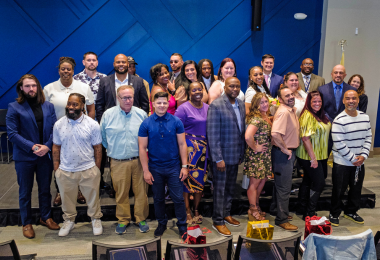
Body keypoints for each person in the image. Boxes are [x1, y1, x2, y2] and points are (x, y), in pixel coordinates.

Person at [6, 74, 59, 239]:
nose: (31, 89)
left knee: (45, 190)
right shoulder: (14, 107)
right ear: (21, 88)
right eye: (27, 86)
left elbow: (54, 130)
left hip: (45, 155)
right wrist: (33, 147)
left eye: (34, 85)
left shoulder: (48, 106)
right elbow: (12, 134)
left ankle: (46, 217)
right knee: (25, 191)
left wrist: (47, 146)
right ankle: (26, 222)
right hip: (25, 157)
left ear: (38, 87)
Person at [44, 56, 95, 206]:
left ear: (73, 71)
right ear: (59, 70)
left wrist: (88, 126)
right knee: (59, 162)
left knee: (79, 161)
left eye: (69, 69)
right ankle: (61, 192)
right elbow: (45, 112)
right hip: (58, 132)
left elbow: (91, 109)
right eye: (63, 69)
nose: (66, 71)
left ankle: (79, 191)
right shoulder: (49, 88)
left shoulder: (83, 87)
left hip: (80, 132)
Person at [138, 92, 189, 240]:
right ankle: (161, 223)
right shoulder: (146, 123)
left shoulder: (176, 121)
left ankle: (182, 226)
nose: (162, 105)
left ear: (168, 104)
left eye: (164, 103)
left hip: (174, 167)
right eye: (159, 103)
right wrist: (146, 171)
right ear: (153, 104)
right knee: (158, 198)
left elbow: (182, 144)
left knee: (178, 198)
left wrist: (184, 166)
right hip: (155, 168)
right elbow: (142, 148)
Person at [100, 85, 149, 234]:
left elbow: (148, 136)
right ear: (118, 98)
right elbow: (103, 138)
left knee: (141, 191)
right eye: (124, 97)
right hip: (118, 161)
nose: (128, 100)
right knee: (121, 193)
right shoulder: (108, 115)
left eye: (130, 97)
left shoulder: (141, 114)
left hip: (139, 161)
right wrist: (115, 150)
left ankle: (140, 218)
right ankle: (123, 219)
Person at [52, 93, 103, 237]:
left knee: (93, 198)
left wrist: (97, 169)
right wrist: (57, 170)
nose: (71, 107)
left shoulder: (92, 124)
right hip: (65, 170)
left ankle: (95, 219)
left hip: (88, 169)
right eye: (69, 104)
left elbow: (98, 148)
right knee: (67, 199)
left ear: (82, 106)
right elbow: (56, 147)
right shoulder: (58, 124)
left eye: (75, 104)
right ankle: (69, 221)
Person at [207, 77, 245, 236]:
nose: (234, 89)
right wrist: (218, 158)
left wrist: (242, 152)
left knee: (230, 188)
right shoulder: (216, 105)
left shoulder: (241, 104)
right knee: (220, 190)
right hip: (222, 157)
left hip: (235, 154)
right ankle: (218, 220)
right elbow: (213, 135)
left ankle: (226, 213)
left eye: (237, 86)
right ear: (224, 88)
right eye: (231, 86)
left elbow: (241, 131)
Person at [329, 90, 372, 227]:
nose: (351, 101)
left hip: (359, 161)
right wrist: (353, 158)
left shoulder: (365, 117)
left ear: (358, 100)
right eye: (348, 98)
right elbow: (339, 143)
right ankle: (334, 213)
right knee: (339, 189)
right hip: (342, 162)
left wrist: (363, 155)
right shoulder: (339, 120)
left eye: (354, 98)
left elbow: (368, 137)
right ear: (343, 101)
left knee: (356, 188)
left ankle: (351, 212)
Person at [73, 52, 110, 192]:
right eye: (88, 60)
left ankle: (99, 181)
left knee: (101, 152)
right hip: (81, 123)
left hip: (101, 121)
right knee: (84, 153)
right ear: (83, 62)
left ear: (97, 62)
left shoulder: (105, 78)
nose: (91, 62)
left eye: (94, 60)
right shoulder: (76, 79)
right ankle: (82, 184)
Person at [174, 82, 209, 225]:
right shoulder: (183, 108)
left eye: (199, 89)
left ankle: (196, 209)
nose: (197, 92)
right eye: (194, 90)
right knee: (187, 182)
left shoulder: (208, 107)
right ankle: (187, 210)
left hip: (204, 149)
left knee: (200, 181)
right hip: (188, 149)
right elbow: (176, 129)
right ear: (189, 92)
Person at [296, 91, 331, 219]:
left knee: (308, 181)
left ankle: (301, 208)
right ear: (309, 102)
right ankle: (310, 212)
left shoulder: (320, 115)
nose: (317, 104)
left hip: (320, 155)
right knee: (319, 183)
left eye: (319, 101)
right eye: (314, 101)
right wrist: (313, 159)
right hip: (310, 156)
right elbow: (305, 138)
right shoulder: (307, 115)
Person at [270, 86, 299, 231]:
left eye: (292, 94)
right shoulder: (283, 112)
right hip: (283, 155)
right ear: (280, 99)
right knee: (284, 188)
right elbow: (275, 134)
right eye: (287, 96)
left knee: (280, 185)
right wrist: (285, 150)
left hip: (285, 154)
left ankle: (276, 210)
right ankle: (282, 219)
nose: (291, 97)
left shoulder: (290, 110)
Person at [243, 93, 272, 221]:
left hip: (265, 155)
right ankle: (252, 209)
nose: (265, 104)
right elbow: (248, 136)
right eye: (261, 103)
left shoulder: (265, 117)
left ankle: (256, 204)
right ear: (256, 105)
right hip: (256, 156)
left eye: (266, 101)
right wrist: (255, 147)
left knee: (263, 180)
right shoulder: (256, 119)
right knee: (254, 183)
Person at [95, 53, 149, 121]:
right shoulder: (104, 81)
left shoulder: (138, 81)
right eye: (118, 62)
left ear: (128, 64)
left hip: (134, 121)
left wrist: (142, 121)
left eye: (123, 62)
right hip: (111, 122)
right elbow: (99, 105)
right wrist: (102, 121)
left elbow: (145, 104)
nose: (121, 64)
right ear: (114, 64)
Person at [318, 65, 357, 154]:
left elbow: (355, 109)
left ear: (345, 75)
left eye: (341, 73)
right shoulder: (322, 89)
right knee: (324, 155)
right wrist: (331, 121)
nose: (338, 75)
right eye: (336, 72)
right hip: (327, 127)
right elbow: (320, 108)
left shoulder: (352, 90)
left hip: (345, 129)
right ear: (332, 74)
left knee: (344, 156)